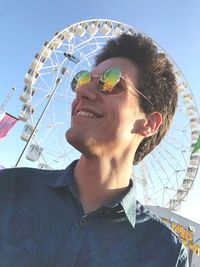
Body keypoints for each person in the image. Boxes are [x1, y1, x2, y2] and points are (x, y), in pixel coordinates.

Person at [0, 33, 188, 266]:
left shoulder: (165, 254)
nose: (82, 91)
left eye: (110, 82)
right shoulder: (8, 190)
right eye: (82, 80)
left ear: (149, 124)